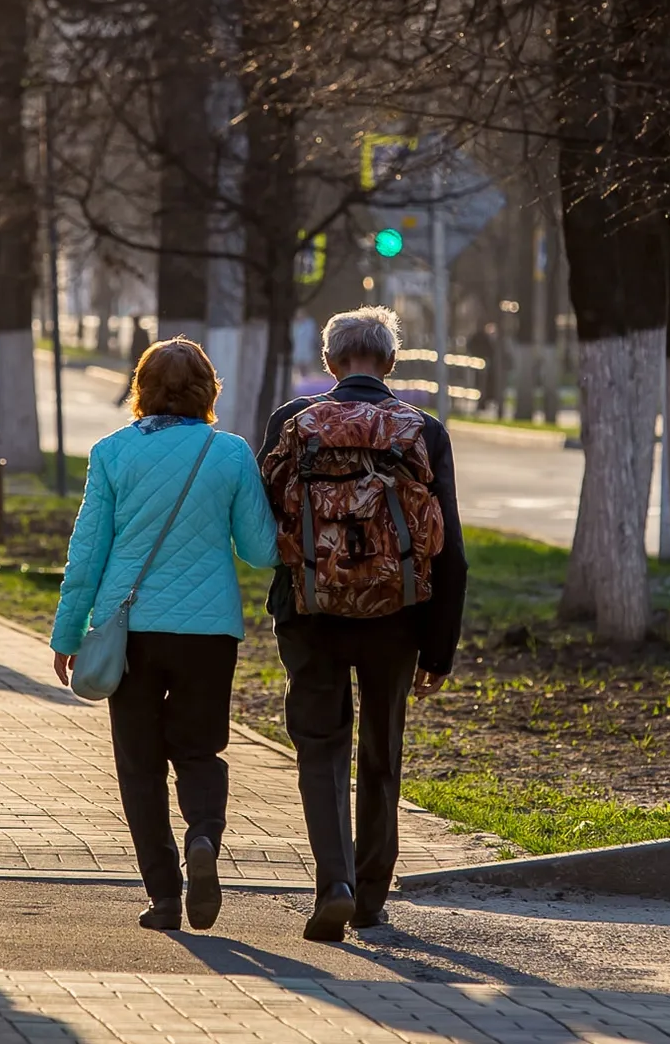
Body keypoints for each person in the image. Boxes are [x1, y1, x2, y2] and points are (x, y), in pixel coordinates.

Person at [50, 338, 279, 932]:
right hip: (210, 632)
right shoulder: (229, 453)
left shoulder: (112, 453)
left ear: (141, 388)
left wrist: (67, 632)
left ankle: (165, 895)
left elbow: (87, 552)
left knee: (140, 765)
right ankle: (203, 837)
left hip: (132, 632)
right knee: (201, 750)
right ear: (208, 391)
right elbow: (260, 550)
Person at [257, 306, 468, 942]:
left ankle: (335, 884)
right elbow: (448, 548)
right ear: (391, 363)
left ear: (329, 363)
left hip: (311, 614)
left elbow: (271, 523)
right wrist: (440, 648)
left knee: (320, 750)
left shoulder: (293, 423)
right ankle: (373, 895)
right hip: (397, 618)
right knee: (382, 748)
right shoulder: (422, 431)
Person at [465, 320, 503, 417]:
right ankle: (481, 403)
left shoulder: (494, 339)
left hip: (488, 366)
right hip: (480, 364)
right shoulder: (479, 338)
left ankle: (485, 402)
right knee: (480, 384)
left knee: (486, 384)